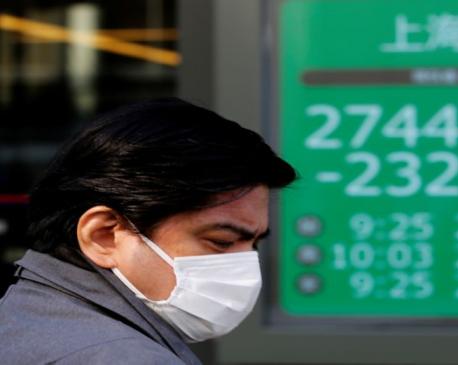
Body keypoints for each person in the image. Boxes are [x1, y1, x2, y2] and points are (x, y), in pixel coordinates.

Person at [0, 98, 296, 364]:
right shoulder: (122, 356)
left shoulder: (24, 316)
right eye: (221, 241)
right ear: (104, 236)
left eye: (253, 244)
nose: (245, 269)